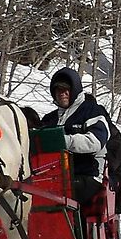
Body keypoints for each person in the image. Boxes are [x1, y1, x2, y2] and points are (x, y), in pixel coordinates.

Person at [40, 68, 110, 205]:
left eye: (66, 89)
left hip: (87, 174)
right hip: (53, 176)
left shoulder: (92, 111)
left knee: (60, 193)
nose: (62, 93)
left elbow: (95, 142)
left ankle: (72, 226)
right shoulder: (49, 119)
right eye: (58, 90)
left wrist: (62, 141)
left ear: (75, 89)